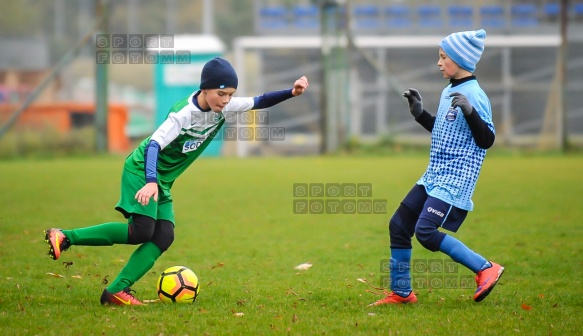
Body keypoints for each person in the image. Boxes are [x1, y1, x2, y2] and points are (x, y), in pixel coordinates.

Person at [44, 57, 309, 305]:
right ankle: (65, 237)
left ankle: (116, 291)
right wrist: (150, 181)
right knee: (141, 231)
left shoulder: (224, 107)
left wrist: (291, 92)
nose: (227, 100)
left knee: (163, 235)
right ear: (205, 89)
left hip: (161, 181)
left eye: (230, 94)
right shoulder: (183, 114)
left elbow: (259, 100)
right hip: (142, 170)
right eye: (222, 93)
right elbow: (154, 145)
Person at [369, 29, 503, 306]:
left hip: (456, 177)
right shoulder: (450, 90)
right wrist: (420, 114)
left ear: (460, 59)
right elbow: (443, 131)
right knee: (399, 225)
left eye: (444, 57)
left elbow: (486, 140)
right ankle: (402, 293)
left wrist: (470, 111)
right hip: (434, 174)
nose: (439, 63)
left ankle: (485, 267)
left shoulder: (474, 95)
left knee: (426, 233)